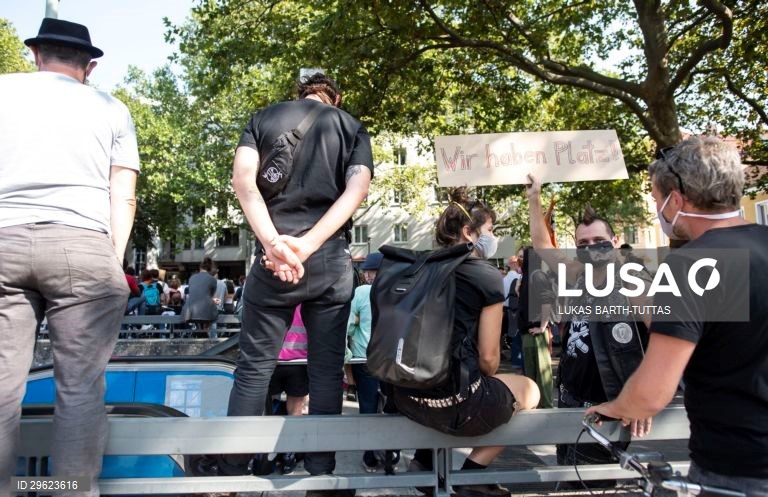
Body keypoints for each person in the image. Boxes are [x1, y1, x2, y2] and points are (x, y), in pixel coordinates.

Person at [0, 18, 140, 497]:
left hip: (3, 238)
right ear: (90, 66)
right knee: (79, 390)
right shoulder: (111, 107)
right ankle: (68, 489)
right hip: (81, 242)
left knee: (1, 386)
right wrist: (112, 261)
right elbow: (123, 193)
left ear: (36, 55)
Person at [588, 136, 768, 496]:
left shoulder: (690, 265)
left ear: (677, 199)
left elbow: (651, 395)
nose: (659, 209)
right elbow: (721, 333)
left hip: (739, 465)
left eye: (657, 200)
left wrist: (614, 405)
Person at [225, 72, 373, 492]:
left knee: (254, 368)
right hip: (327, 260)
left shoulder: (261, 120)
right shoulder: (350, 126)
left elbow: (243, 182)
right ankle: (320, 469)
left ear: (299, 94)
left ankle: (235, 468)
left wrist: (275, 245)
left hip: (273, 260)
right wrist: (306, 246)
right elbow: (356, 189)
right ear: (335, 96)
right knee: (326, 370)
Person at [394, 189, 540, 497]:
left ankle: (423, 461)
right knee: (530, 389)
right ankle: (474, 475)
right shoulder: (484, 276)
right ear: (467, 232)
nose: (492, 237)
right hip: (456, 403)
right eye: (489, 230)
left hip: (404, 397)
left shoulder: (418, 267)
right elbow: (488, 359)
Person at [525, 175, 653, 476]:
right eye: (583, 243)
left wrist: (643, 397)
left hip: (607, 406)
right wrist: (534, 198)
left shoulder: (635, 284)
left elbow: (666, 337)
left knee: (592, 483)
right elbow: (542, 245)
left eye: (599, 240)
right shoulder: (578, 274)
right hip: (570, 399)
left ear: (616, 242)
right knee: (570, 477)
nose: (591, 247)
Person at [347, 251, 386, 472]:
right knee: (392, 407)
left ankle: (370, 456)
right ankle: (392, 453)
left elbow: (349, 326)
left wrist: (346, 361)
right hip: (392, 361)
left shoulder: (361, 293)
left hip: (365, 358)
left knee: (368, 407)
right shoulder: (397, 291)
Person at [515, 248, 555, 409]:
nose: (519, 260)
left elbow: (547, 302)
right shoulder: (528, 276)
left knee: (542, 373)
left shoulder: (536, 275)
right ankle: (535, 403)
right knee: (532, 373)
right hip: (528, 331)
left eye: (522, 257)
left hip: (536, 332)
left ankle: (545, 405)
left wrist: (542, 327)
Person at [182, 257, 219, 334]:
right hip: (206, 313)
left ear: (200, 267)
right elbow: (211, 296)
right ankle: (205, 330)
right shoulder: (212, 279)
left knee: (200, 320)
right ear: (210, 269)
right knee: (212, 314)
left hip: (189, 313)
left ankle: (201, 332)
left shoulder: (191, 278)